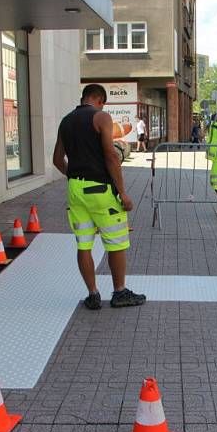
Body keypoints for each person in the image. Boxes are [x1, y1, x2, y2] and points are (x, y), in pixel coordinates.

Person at [52, 84, 146, 309]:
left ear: (83, 97)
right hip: (101, 191)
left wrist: (74, 176)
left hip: (75, 190)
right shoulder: (101, 117)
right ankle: (120, 292)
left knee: (84, 244)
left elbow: (57, 159)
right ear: (100, 100)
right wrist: (122, 193)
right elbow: (111, 156)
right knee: (116, 243)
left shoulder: (66, 121)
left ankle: (92, 294)